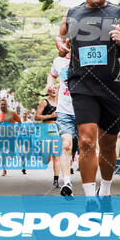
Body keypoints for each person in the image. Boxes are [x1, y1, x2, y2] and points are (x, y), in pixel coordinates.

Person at [56, 0, 120, 198]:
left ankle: (104, 191)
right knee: (86, 141)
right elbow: (60, 36)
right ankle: (88, 200)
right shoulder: (72, 14)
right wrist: (60, 44)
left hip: (112, 87)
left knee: (107, 145)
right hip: (82, 86)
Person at [46, 47, 76, 196]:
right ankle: (67, 183)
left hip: (85, 110)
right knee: (65, 145)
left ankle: (98, 188)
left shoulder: (87, 59)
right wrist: (50, 84)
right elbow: (52, 75)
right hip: (64, 111)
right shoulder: (59, 62)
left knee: (87, 146)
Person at [34, 86, 61, 188]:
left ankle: (56, 179)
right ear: (48, 91)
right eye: (52, 88)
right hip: (45, 128)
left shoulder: (61, 103)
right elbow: (36, 117)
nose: (54, 90)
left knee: (56, 156)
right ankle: (45, 157)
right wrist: (50, 116)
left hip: (56, 129)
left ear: (58, 90)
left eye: (56, 88)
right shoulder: (44, 102)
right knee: (46, 159)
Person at [0, 98, 21, 176]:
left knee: (12, 153)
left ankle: (9, 154)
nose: (3, 106)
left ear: (7, 105)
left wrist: (17, 130)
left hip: (11, 136)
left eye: (5, 104)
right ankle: (4, 169)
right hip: (1, 136)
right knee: (2, 153)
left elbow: (19, 122)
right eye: (2, 104)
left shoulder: (12, 113)